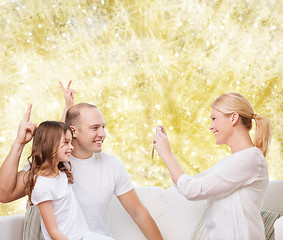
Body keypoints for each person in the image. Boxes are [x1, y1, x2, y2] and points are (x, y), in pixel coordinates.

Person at [0, 81, 163, 240]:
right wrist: (19, 143)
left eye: (103, 127)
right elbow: (5, 194)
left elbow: (138, 212)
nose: (103, 134)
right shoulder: (48, 166)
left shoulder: (112, 165)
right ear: (74, 131)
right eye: (95, 128)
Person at [153, 92, 272, 240]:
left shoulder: (251, 159)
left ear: (233, 117)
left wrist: (167, 154)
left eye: (214, 119)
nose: (211, 127)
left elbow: (192, 190)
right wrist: (166, 149)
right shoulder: (229, 163)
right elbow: (186, 184)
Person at [24, 121, 112, 240]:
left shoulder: (62, 171)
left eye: (70, 142)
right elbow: (53, 231)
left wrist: (68, 106)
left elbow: (59, 130)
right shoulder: (42, 186)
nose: (72, 147)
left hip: (84, 236)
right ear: (49, 144)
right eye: (66, 142)